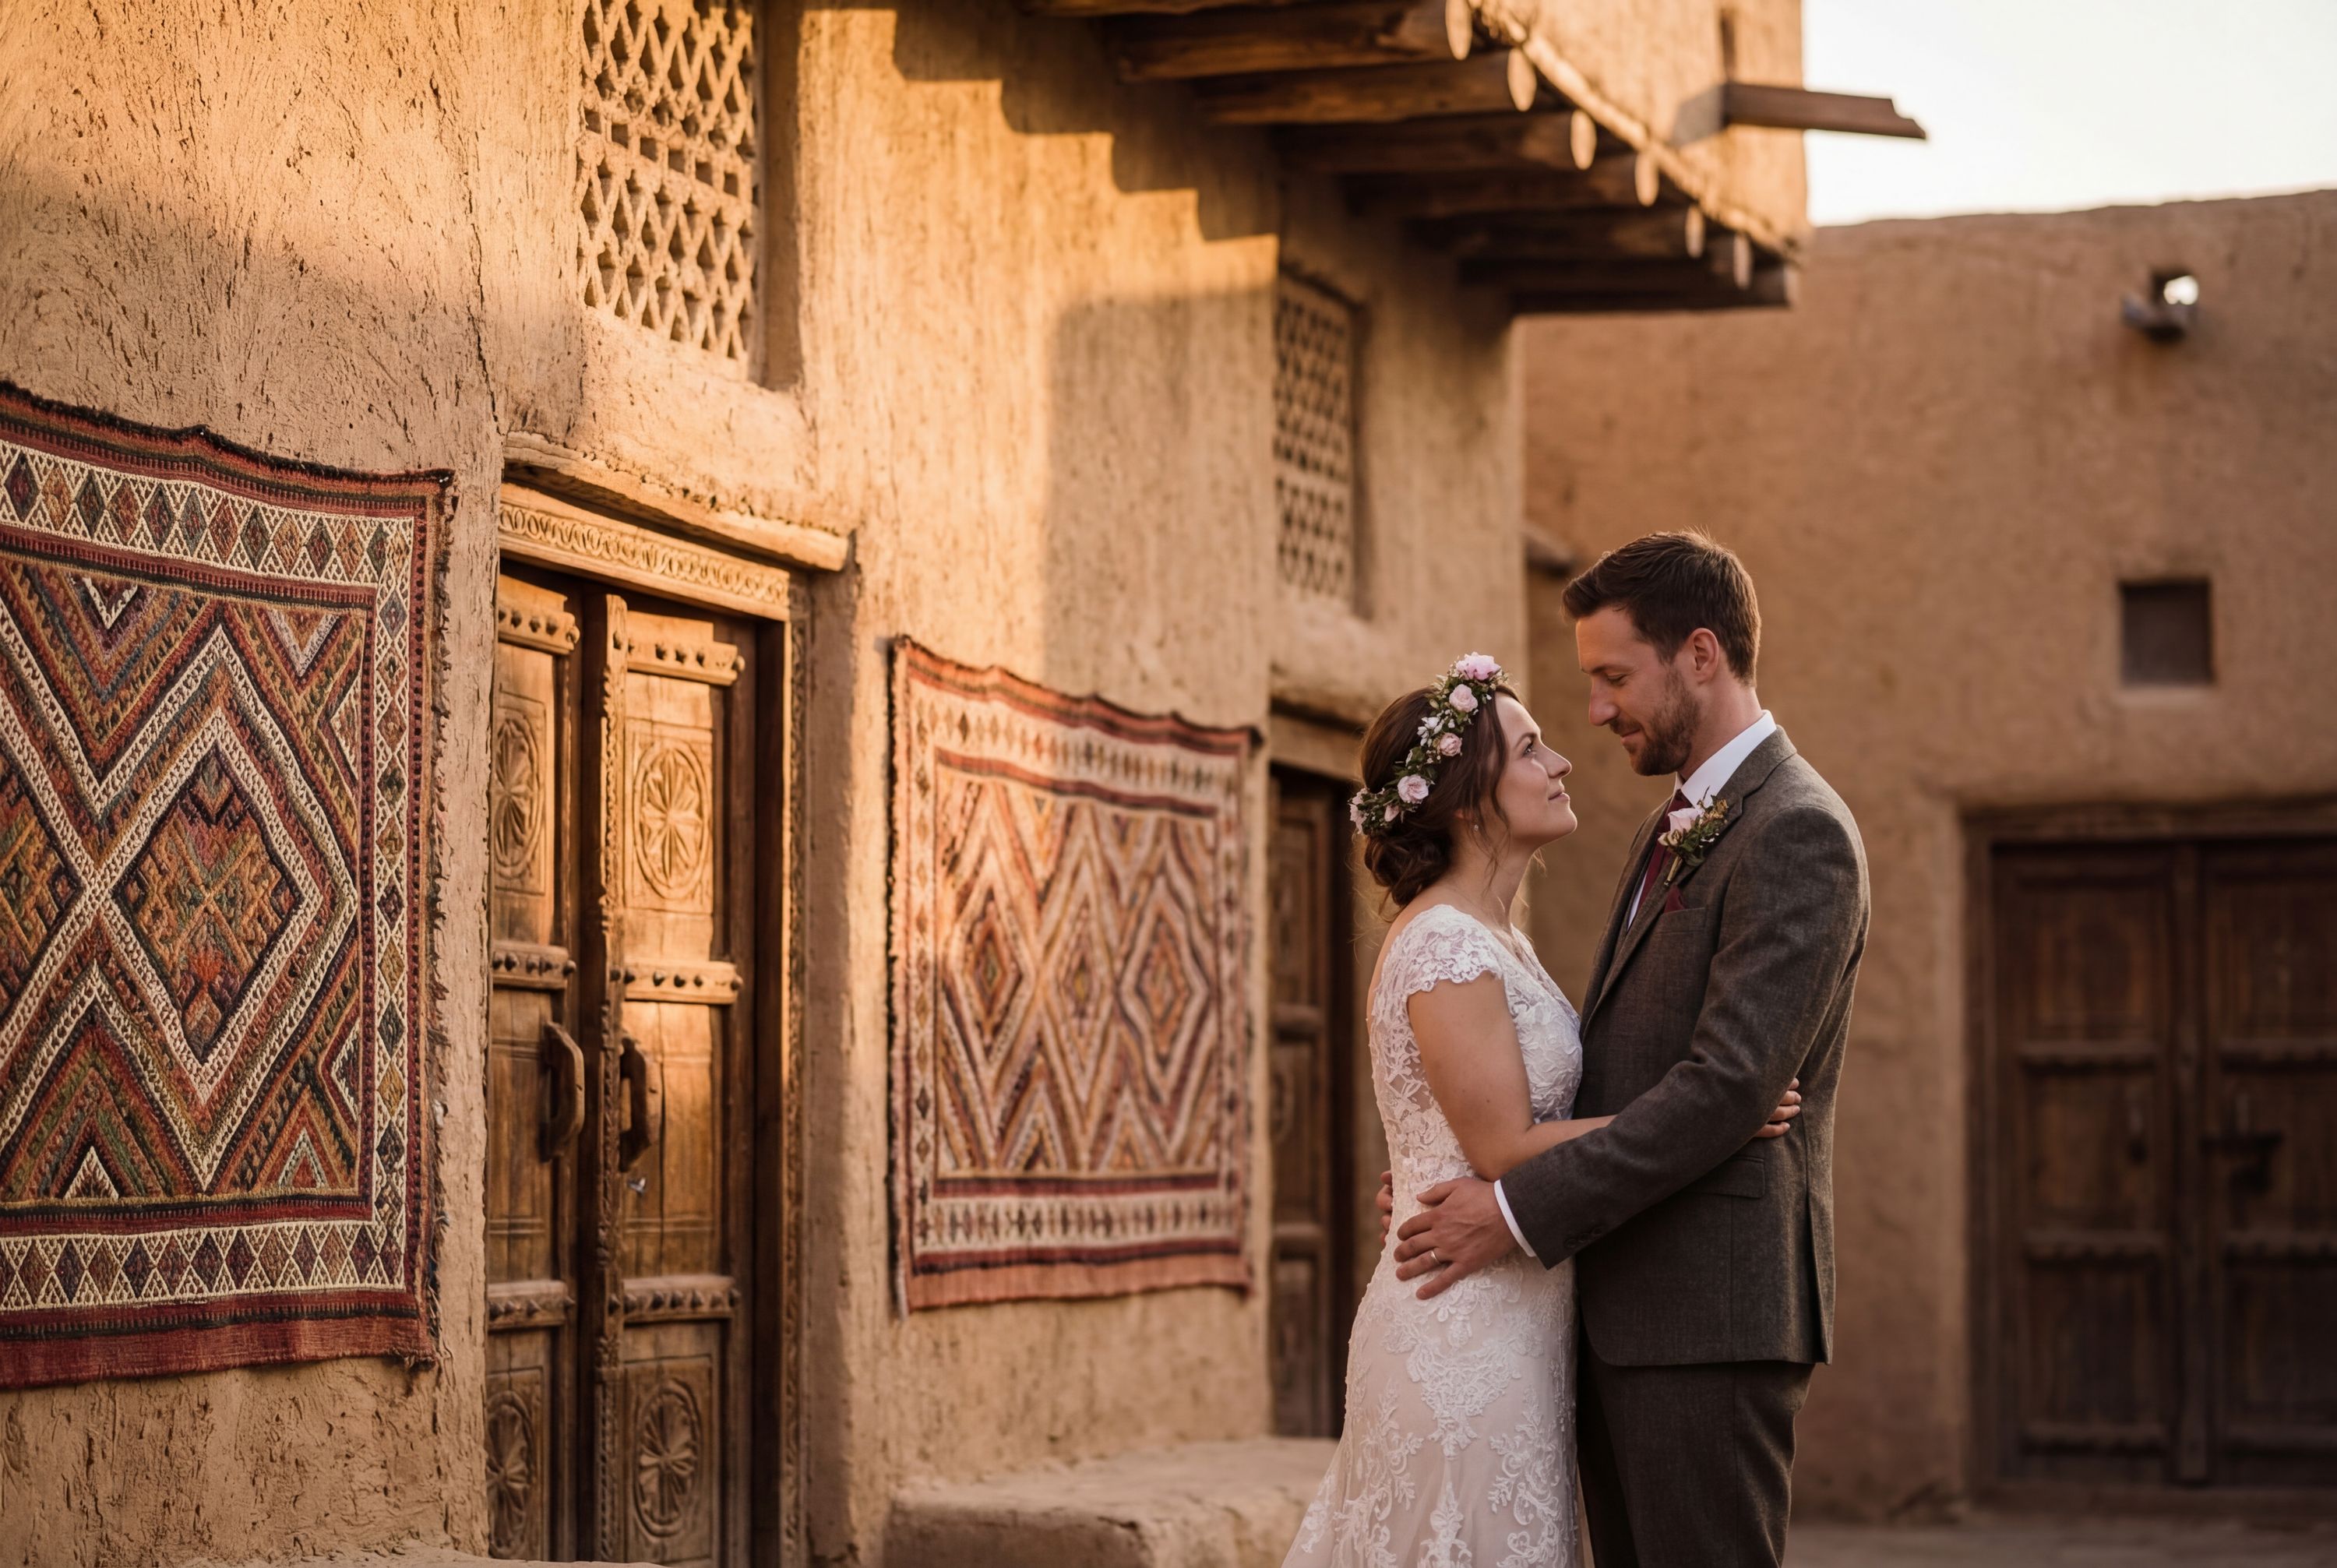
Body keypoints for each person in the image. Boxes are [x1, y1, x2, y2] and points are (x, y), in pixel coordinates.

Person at [1386, 532, 1869, 1567]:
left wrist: (1511, 1210)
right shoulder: (1678, 826)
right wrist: (1465, 1167)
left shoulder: (1796, 831)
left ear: (1700, 654)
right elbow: (1613, 1072)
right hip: (1618, 1314)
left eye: (1612, 676)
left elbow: (1728, 1087)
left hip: (1708, 1319)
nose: (1597, 711)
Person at [1283, 643, 1803, 1567]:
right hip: (1461, 1334)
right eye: (1530, 749)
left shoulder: (1499, 938)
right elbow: (1500, 1143)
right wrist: (1715, 1119)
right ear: (1467, 795)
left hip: (1521, 1325)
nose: (1562, 762)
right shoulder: (1445, 940)